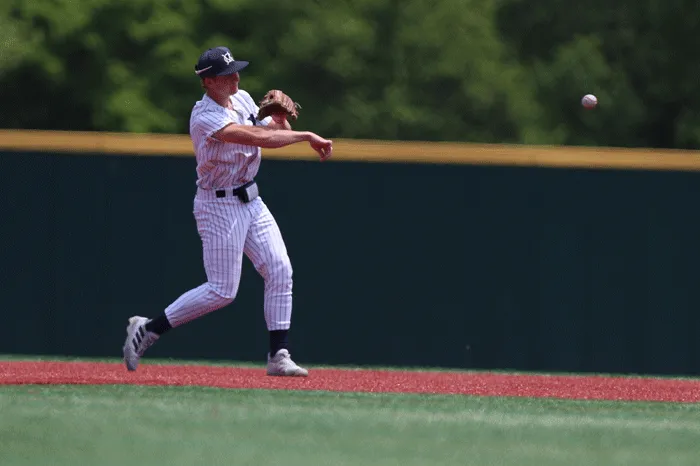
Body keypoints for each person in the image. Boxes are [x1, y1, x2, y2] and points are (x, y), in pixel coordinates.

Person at [122, 46, 333, 376]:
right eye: (225, 74)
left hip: (251, 199)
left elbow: (272, 133)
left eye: (236, 70)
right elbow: (254, 137)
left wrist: (278, 122)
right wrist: (305, 135)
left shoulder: (245, 99)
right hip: (218, 206)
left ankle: (278, 354)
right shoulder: (204, 116)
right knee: (222, 291)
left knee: (280, 268)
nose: (235, 77)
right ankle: (148, 329)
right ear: (207, 82)